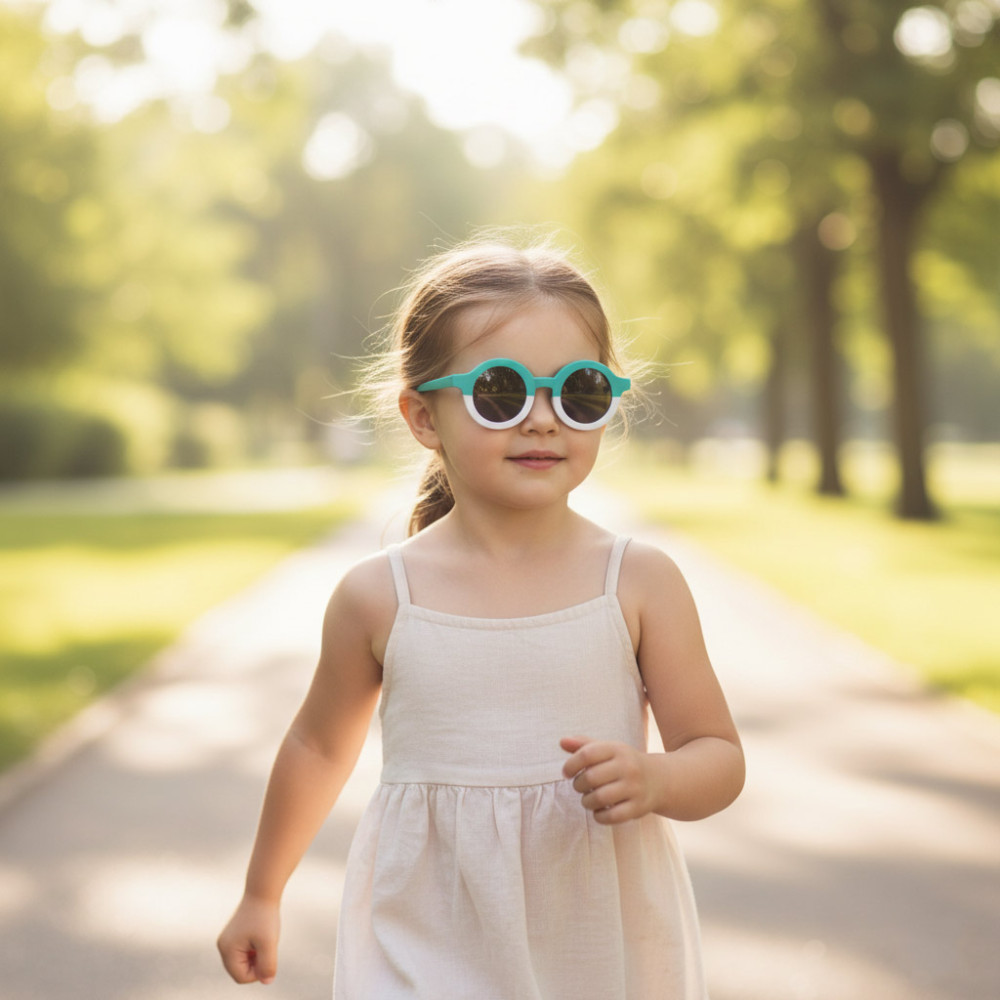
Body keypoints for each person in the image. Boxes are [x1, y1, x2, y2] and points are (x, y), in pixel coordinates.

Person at [217, 236, 745, 999]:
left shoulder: (636, 583)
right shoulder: (380, 596)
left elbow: (718, 753)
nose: (540, 419)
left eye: (579, 391)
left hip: (595, 942)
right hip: (425, 936)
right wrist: (262, 892)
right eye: (500, 392)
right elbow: (316, 745)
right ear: (422, 417)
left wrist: (658, 778)